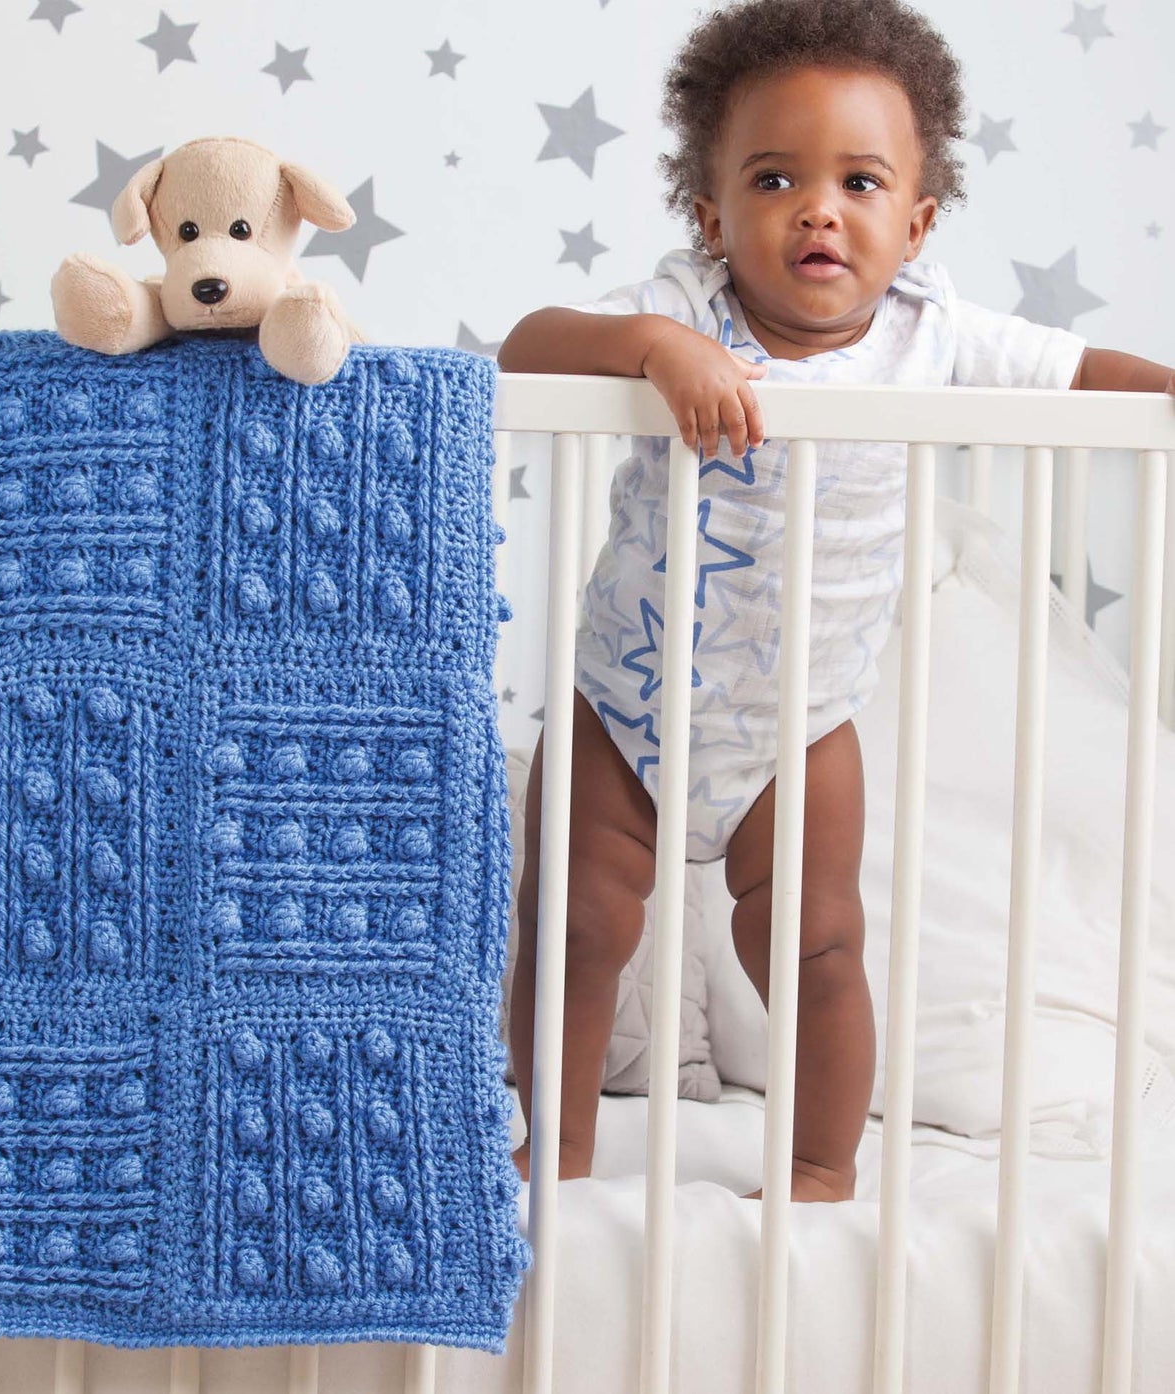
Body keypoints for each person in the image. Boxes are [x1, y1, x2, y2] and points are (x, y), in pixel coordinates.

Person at [498, 0, 1175, 1202]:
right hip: (623, 696)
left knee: (812, 947)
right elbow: (527, 345)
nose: (818, 207)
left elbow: (1081, 377)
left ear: (913, 225)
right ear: (710, 217)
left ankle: (817, 1163)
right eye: (772, 178)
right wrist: (653, 346)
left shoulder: (934, 339)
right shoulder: (684, 310)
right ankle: (553, 1146)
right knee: (576, 927)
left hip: (795, 720)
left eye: (859, 181)